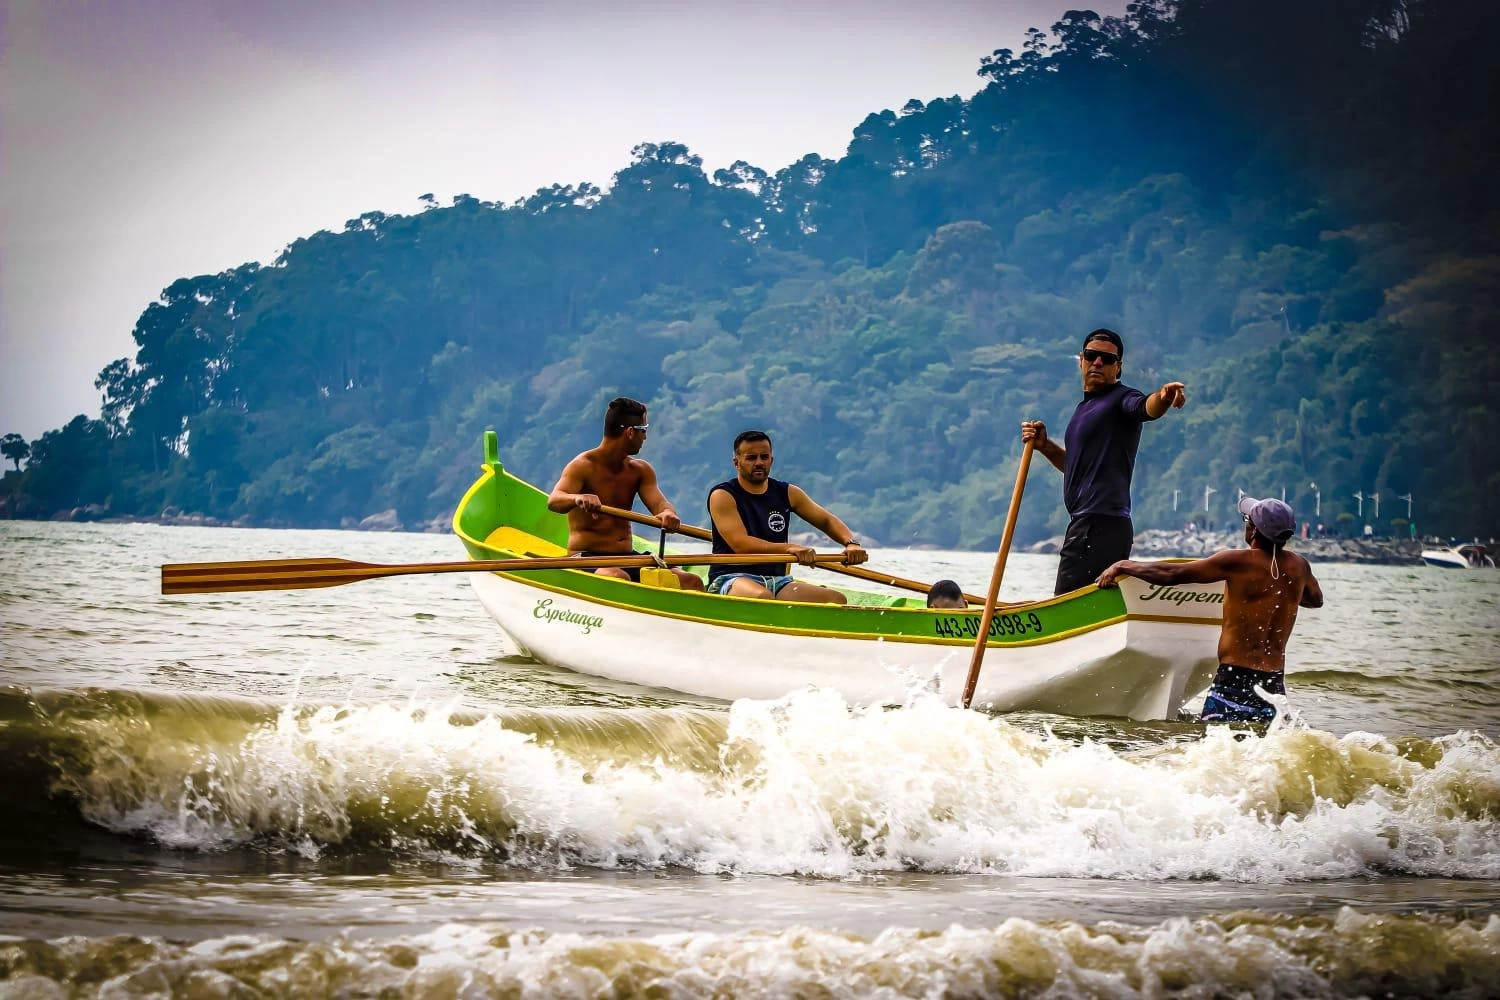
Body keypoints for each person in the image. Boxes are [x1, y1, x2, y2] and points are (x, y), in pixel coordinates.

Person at [1095, 496, 1324, 724]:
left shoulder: (1237, 561)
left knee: (1213, 741)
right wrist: (1284, 593)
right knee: (1266, 743)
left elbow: (1173, 574)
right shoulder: (1299, 566)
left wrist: (1125, 565)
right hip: (1273, 683)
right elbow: (1316, 600)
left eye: (1247, 521)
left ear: (1253, 531)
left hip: (1234, 680)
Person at [1021, 328, 1187, 595]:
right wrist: (1045, 447)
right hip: (1089, 523)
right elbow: (1076, 468)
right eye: (1091, 356)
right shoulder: (1082, 410)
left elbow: (1146, 407)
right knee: (1084, 607)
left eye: (1107, 359)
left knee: (1067, 606)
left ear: (1118, 367)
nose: (1098, 362)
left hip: (1099, 525)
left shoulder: (1122, 399)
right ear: (1081, 361)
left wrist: (1164, 397)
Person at [547, 396, 705, 590]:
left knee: (692, 581)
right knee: (618, 577)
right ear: (630, 432)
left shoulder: (640, 470)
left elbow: (659, 504)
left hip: (627, 557)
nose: (645, 437)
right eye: (644, 430)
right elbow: (554, 501)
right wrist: (577, 498)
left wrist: (668, 513)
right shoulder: (582, 466)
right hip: (586, 557)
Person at [706, 430, 868, 603]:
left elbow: (826, 520)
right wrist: (790, 548)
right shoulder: (723, 495)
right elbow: (740, 544)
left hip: (778, 581)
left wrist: (851, 543)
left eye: (764, 457)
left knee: (835, 599)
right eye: (751, 458)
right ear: (736, 463)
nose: (759, 462)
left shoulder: (788, 492)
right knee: (762, 597)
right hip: (732, 577)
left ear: (771, 460)